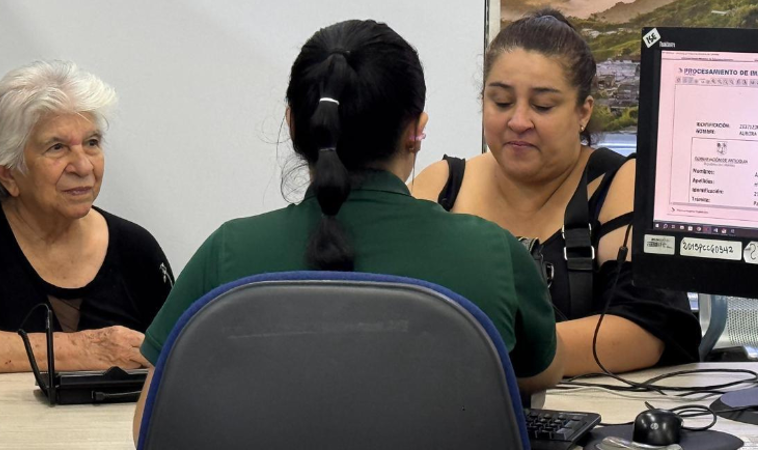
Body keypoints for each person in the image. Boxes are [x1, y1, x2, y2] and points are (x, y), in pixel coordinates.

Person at [132, 19, 569, 439]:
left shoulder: (227, 252)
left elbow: (150, 426)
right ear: (417, 131)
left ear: (294, 124)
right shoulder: (492, 251)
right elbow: (541, 373)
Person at [410, 9, 700, 376]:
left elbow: (645, 329)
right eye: (501, 102)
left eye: (542, 106)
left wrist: (499, 355)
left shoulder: (620, 183)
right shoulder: (441, 186)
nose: (518, 121)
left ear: (583, 112)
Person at [0, 60, 173, 374]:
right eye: (57, 147)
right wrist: (81, 350)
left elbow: (184, 356)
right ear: (8, 173)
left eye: (92, 143)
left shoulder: (136, 249)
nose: (83, 166)